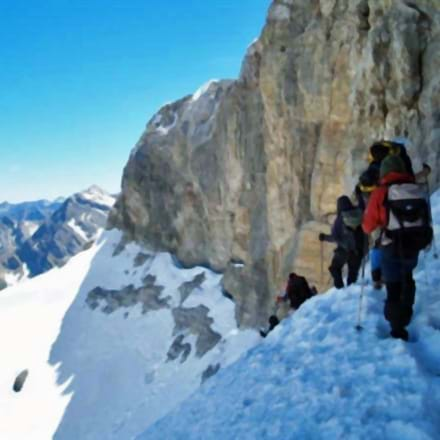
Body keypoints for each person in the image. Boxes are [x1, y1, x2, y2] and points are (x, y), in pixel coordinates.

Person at [362, 155, 431, 341]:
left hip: (391, 247)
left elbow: (368, 226)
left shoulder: (381, 192)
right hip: (414, 244)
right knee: (407, 277)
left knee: (393, 286)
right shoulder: (416, 188)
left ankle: (397, 327)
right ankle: (405, 314)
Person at [319, 196, 367, 289]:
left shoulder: (339, 220)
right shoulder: (359, 212)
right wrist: (360, 195)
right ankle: (351, 293)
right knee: (352, 275)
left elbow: (334, 237)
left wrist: (324, 237)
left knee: (334, 268)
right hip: (358, 251)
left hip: (343, 251)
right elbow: (363, 205)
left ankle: (340, 289)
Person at [259, 273, 317, 337]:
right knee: (283, 318)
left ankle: (270, 331)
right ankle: (273, 329)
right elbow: (308, 292)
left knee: (277, 317)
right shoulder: (302, 280)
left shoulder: (290, 283)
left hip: (295, 307)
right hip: (302, 306)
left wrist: (279, 299)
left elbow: (285, 297)